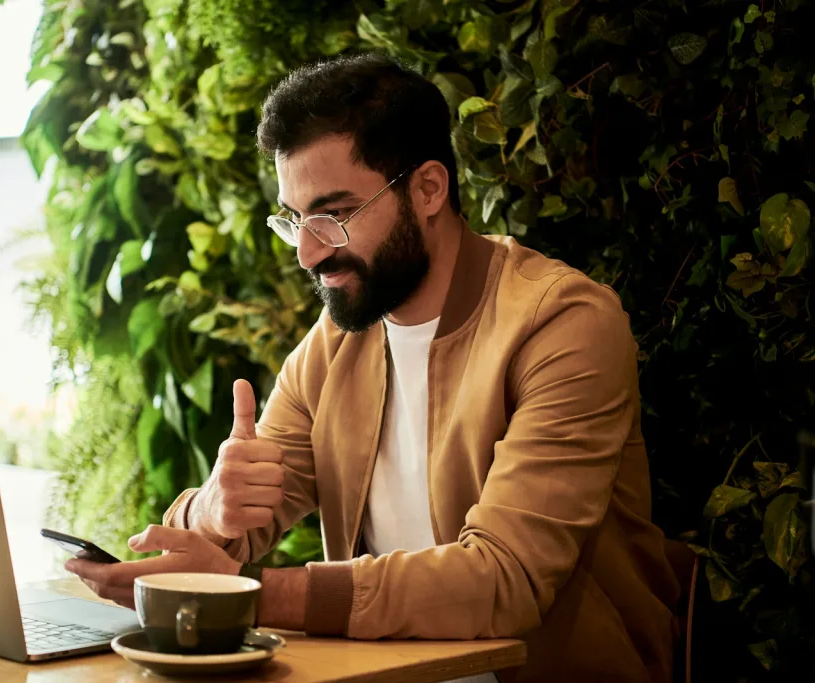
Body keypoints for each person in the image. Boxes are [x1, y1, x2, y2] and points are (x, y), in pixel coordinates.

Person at [65, 53, 681, 683]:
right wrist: (215, 513)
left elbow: (505, 580)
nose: (308, 252)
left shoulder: (562, 323)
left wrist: (253, 592)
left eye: (335, 215)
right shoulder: (338, 341)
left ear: (429, 189)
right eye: (296, 219)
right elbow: (225, 538)